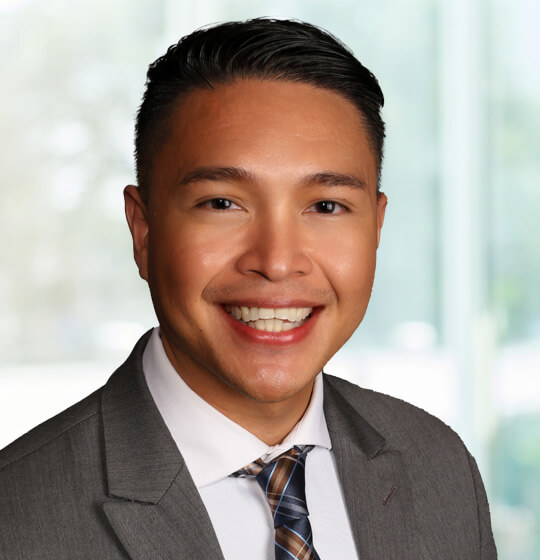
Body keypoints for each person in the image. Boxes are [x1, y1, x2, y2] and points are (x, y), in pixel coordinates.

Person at [0, 18, 497, 560]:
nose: (277, 263)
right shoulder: (17, 517)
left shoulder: (439, 466)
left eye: (326, 206)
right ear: (143, 230)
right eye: (222, 203)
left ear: (376, 227)